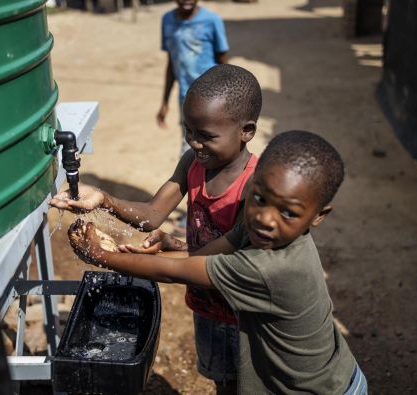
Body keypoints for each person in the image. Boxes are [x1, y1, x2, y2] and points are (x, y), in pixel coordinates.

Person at [67, 130, 368, 394]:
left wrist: (102, 255)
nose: (265, 218)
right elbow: (207, 255)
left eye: (287, 212)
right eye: (260, 198)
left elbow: (177, 272)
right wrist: (169, 245)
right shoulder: (262, 231)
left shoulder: (273, 268)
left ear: (318, 216)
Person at [51, 64, 261, 394]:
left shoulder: (255, 190)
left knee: (248, 385)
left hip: (244, 317)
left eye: (206, 136)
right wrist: (103, 199)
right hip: (207, 306)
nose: (195, 143)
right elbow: (151, 215)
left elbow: (220, 264)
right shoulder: (192, 163)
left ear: (246, 131)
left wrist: (104, 255)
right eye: (189, 131)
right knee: (222, 381)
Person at [157, 0, 230, 156]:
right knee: (189, 147)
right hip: (186, 98)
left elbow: (223, 62)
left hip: (213, 98)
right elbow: (171, 63)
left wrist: (228, 98)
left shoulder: (211, 20)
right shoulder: (167, 20)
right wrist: (164, 102)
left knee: (213, 146)